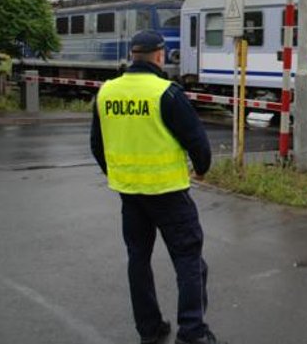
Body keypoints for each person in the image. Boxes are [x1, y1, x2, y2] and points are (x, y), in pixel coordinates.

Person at [90, 30, 225, 344]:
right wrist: (202, 169)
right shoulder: (166, 92)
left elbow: (97, 144)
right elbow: (197, 141)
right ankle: (192, 333)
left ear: (132, 55)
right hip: (168, 193)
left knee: (138, 259)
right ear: (160, 55)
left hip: (129, 193)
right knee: (189, 260)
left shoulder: (107, 92)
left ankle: (149, 330)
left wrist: (118, 174)